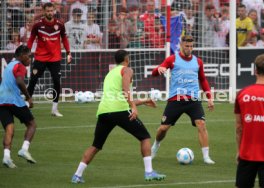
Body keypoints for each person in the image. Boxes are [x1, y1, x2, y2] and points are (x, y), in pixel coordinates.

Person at [71, 50, 166, 183]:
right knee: (145, 137)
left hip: (104, 112)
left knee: (96, 145)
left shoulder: (110, 74)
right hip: (120, 111)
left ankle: (77, 175)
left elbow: (118, 97)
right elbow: (125, 90)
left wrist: (143, 101)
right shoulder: (127, 70)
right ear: (127, 59)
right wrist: (133, 107)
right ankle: (149, 172)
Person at [151, 35, 215, 164]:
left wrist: (209, 98)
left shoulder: (198, 61)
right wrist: (159, 69)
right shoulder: (172, 59)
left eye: (191, 46)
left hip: (193, 100)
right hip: (176, 99)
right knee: (163, 128)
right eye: (187, 46)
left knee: (201, 124)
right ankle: (156, 144)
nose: (189, 49)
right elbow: (154, 73)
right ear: (181, 45)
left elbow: (203, 79)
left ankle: (206, 156)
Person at [234, 54, 264, 188]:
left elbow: (239, 127)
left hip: (246, 153)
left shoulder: (242, 94)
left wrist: (238, 150)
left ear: (255, 71)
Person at [27, 2, 72, 117]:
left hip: (55, 58)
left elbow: (65, 39)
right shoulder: (37, 25)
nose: (50, 13)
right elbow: (31, 39)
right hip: (40, 57)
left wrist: (68, 53)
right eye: (47, 11)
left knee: (57, 82)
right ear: (43, 11)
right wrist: (27, 52)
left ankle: (54, 109)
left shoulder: (60, 25)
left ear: (54, 11)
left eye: (51, 11)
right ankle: (27, 104)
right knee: (33, 80)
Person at [0, 45, 37, 168]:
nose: (30, 59)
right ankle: (24, 149)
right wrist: (28, 97)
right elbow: (19, 81)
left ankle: (6, 157)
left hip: (1, 100)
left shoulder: (9, 66)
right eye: (29, 56)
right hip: (13, 100)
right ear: (22, 55)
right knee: (31, 124)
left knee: (9, 129)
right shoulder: (19, 66)